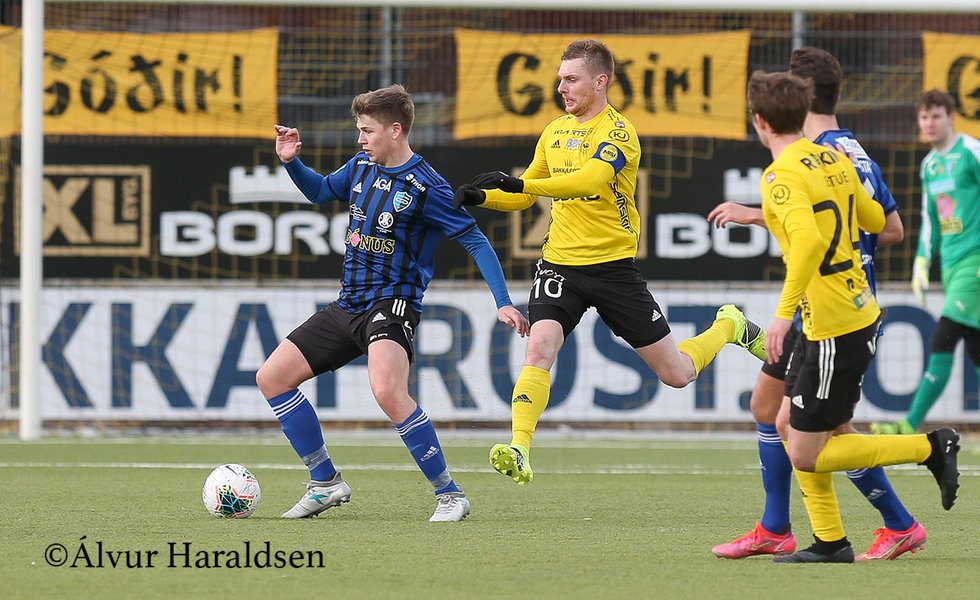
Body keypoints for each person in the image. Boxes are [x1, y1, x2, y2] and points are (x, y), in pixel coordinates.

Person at [454, 39, 767, 486]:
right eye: (560, 79)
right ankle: (519, 447)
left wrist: (520, 183)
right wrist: (481, 197)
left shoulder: (618, 133)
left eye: (571, 79)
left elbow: (588, 181)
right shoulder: (554, 131)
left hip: (613, 269)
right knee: (539, 347)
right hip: (560, 265)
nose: (561, 88)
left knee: (677, 374)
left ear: (600, 81)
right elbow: (523, 197)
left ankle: (729, 326)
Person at [258, 84, 530, 522]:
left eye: (367, 131)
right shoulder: (361, 166)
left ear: (396, 130)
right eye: (359, 130)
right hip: (348, 304)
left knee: (387, 391)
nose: (361, 139)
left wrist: (503, 301)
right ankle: (325, 481)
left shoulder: (427, 186)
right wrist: (292, 163)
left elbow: (476, 240)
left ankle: (450, 494)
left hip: (392, 304)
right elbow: (321, 191)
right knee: (272, 378)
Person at [710, 47, 924, 562]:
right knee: (773, 410)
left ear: (800, 93)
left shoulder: (812, 153)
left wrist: (766, 219)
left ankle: (899, 508)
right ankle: (785, 528)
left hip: (828, 309)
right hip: (839, 301)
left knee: (814, 431)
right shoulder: (848, 149)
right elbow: (889, 226)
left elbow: (822, 234)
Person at [743, 70, 960, 564]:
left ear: (760, 121)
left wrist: (780, 317)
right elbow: (875, 219)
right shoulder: (832, 159)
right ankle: (830, 542)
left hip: (832, 325)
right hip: (850, 309)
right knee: (785, 421)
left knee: (806, 452)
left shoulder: (779, 175)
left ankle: (930, 447)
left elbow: (808, 243)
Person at [871, 89, 980, 435]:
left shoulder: (971, 152)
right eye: (924, 117)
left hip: (975, 263)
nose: (929, 123)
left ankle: (908, 424)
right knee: (976, 348)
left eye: (936, 116)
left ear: (952, 117)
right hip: (952, 266)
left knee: (943, 338)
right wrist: (921, 262)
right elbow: (930, 219)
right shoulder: (929, 165)